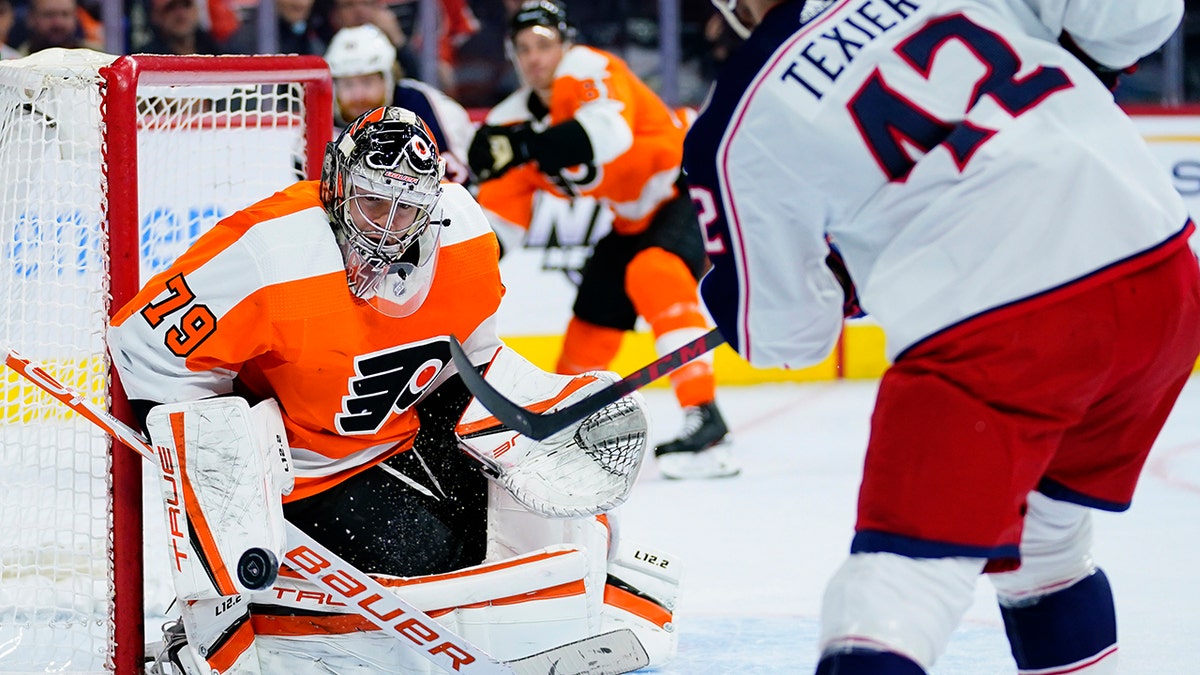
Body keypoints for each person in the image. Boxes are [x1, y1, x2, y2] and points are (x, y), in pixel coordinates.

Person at [688, 1, 1200, 674]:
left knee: (889, 596)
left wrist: (749, 292)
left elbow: (786, 332)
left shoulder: (738, 119)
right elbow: (1137, 16)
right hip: (1162, 278)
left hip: (1006, 323)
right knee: (1044, 547)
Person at [108, 106, 680, 673]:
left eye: (406, 208)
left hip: (405, 433)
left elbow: (474, 359)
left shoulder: (464, 235)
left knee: (536, 530)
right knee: (432, 558)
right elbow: (142, 346)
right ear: (337, 185)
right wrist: (229, 466)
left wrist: (537, 417)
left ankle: (579, 581)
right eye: (374, 200)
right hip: (306, 471)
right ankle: (213, 628)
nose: (388, 224)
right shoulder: (269, 250)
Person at [468, 0, 737, 480]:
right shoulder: (510, 121)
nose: (535, 58)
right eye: (524, 48)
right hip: (633, 219)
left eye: (545, 45)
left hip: (689, 185)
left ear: (565, 45)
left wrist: (528, 146)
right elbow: (500, 222)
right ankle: (568, 425)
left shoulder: (589, 68)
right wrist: (463, 269)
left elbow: (606, 133)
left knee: (655, 272)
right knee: (590, 319)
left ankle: (706, 416)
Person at [325, 23, 473, 184]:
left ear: (388, 80)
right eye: (348, 85)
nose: (358, 95)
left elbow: (457, 182)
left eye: (367, 82)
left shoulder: (420, 103)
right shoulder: (318, 120)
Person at [133, 0, 223, 55]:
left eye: (186, 4)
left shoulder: (217, 52)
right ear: (155, 15)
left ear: (197, 10)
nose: (181, 14)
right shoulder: (145, 60)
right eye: (171, 7)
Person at [18, 0, 100, 54]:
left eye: (65, 14)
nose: (58, 23)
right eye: (49, 14)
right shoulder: (15, 60)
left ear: (76, 17)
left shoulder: (98, 58)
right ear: (31, 18)